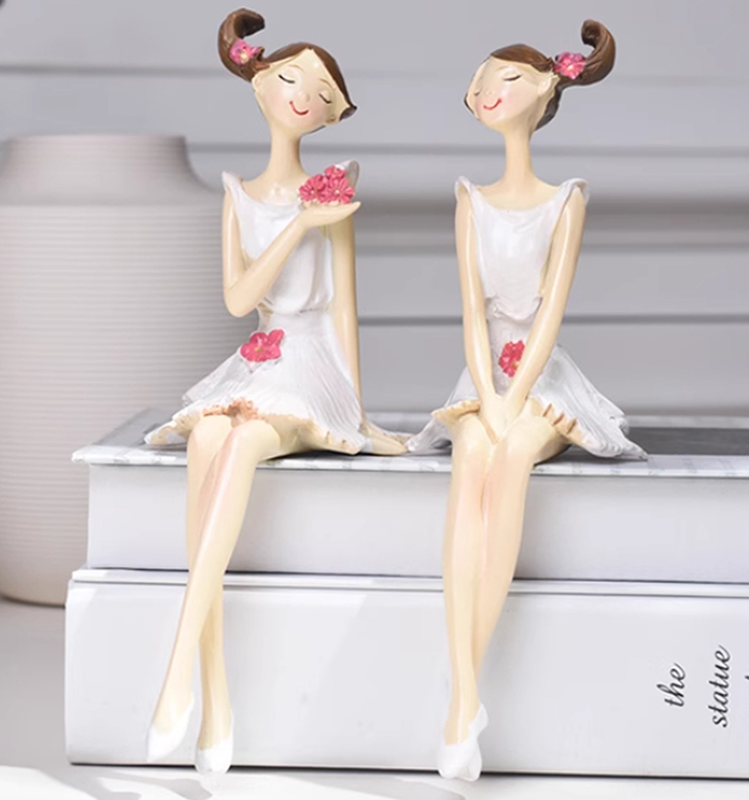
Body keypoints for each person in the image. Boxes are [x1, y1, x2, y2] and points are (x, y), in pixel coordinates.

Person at [145, 8, 404, 775]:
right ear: (258, 83)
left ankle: (175, 676)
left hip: (312, 359)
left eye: (322, 92)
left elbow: (345, 306)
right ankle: (216, 705)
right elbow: (238, 300)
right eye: (290, 78)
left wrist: (356, 412)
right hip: (258, 355)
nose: (303, 95)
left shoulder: (336, 186)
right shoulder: (241, 194)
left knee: (242, 442)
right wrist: (296, 224)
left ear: (333, 114)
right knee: (208, 434)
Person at [407, 20, 646, 781]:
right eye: (481, 82)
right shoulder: (470, 200)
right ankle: (465, 699)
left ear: (544, 89)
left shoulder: (565, 200)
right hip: (483, 372)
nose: (486, 91)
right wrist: (486, 392)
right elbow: (470, 311)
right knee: (471, 454)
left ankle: (460, 701)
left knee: (510, 456)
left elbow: (548, 314)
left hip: (540, 375)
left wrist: (515, 395)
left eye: (504, 79)